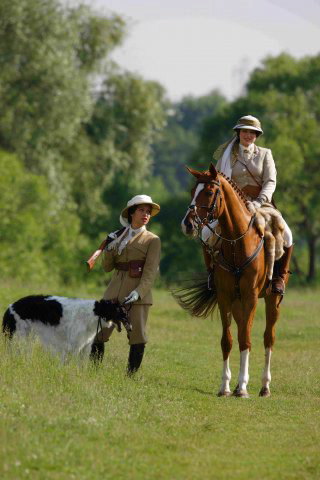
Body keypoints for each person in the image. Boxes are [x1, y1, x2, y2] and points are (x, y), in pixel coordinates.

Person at [211, 114, 293, 294]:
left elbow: (270, 181)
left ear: (257, 136)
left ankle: (279, 277)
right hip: (234, 206)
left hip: (261, 203)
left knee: (287, 235)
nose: (248, 135)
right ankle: (212, 275)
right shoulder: (226, 156)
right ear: (238, 132)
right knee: (205, 232)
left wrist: (259, 201)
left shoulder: (265, 154)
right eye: (245, 131)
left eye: (253, 132)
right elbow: (217, 181)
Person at [90, 195, 161, 375]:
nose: (146, 214)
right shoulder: (118, 236)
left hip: (137, 293)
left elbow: (150, 272)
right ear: (131, 213)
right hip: (113, 290)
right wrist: (109, 249)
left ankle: (130, 377)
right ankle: (92, 371)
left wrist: (139, 292)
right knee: (99, 331)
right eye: (141, 210)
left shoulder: (153, 240)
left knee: (137, 336)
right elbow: (107, 268)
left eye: (148, 211)